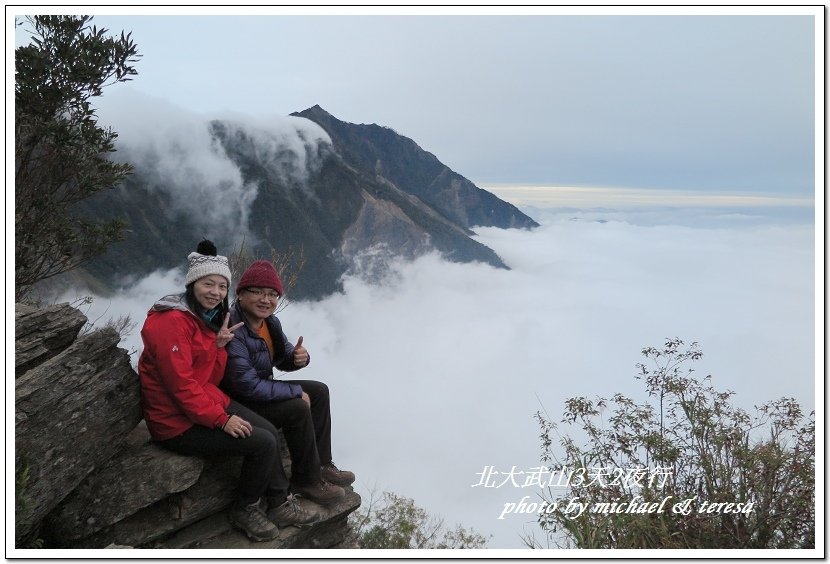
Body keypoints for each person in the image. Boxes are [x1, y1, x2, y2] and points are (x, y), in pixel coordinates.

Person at [137, 241, 318, 543]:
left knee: (269, 430)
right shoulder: (171, 323)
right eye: (209, 284)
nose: (216, 292)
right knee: (261, 441)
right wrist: (221, 419)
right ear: (193, 284)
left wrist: (218, 346)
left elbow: (209, 377)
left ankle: (278, 504)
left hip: (200, 402)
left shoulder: (203, 318)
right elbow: (181, 387)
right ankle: (244, 509)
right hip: (174, 423)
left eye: (222, 286)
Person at [223, 259, 355, 507]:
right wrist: (293, 391)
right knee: (296, 407)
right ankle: (307, 480)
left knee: (318, 390)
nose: (266, 299)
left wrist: (298, 359)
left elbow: (282, 357)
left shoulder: (269, 322)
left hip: (259, 392)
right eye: (257, 292)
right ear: (240, 294)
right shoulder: (233, 327)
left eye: (272, 294)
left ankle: (322, 464)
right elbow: (245, 385)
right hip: (238, 402)